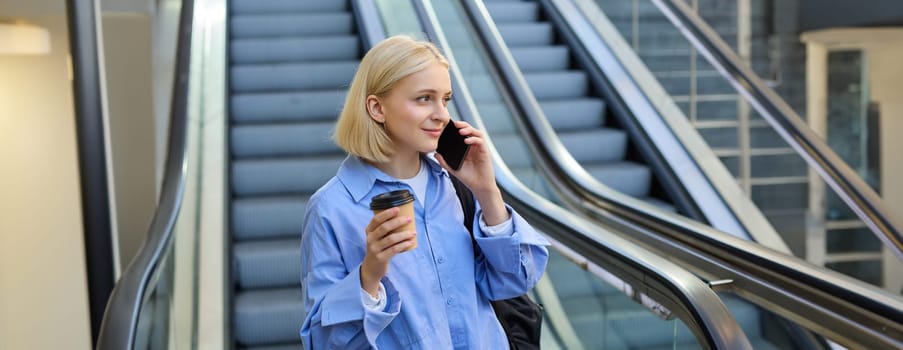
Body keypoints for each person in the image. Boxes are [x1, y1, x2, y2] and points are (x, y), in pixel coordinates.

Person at [299, 35, 550, 349]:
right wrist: (369, 276)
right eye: (423, 98)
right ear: (377, 108)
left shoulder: (453, 186)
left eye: (445, 99)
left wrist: (487, 191)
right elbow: (323, 342)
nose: (442, 114)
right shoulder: (331, 209)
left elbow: (515, 281)